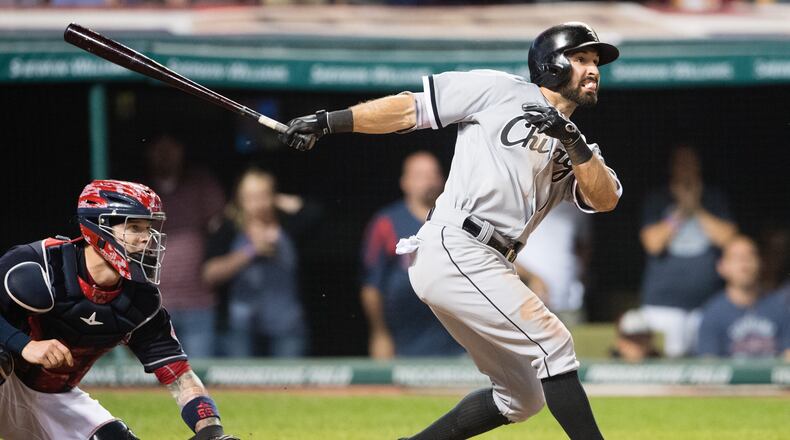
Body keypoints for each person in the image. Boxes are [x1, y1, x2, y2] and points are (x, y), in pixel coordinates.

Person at [280, 21, 621, 440]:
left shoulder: (578, 145)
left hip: (492, 261)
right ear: (551, 64)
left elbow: (605, 199)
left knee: (523, 397)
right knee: (553, 343)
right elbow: (410, 108)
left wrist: (573, 140)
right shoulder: (500, 90)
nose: (593, 69)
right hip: (457, 243)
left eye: (595, 62)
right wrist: (330, 120)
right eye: (581, 58)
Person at [0, 180, 237, 440]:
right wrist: (24, 345)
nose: (147, 238)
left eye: (148, 228)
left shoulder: (141, 301)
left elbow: (180, 374)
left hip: (54, 397)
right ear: (98, 227)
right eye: (135, 227)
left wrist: (212, 431)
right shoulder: (39, 263)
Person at [361, 151, 465, 359]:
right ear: (405, 182)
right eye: (420, 175)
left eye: (433, 174)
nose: (429, 181)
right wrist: (380, 334)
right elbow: (371, 287)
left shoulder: (457, 219)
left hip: (456, 333)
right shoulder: (386, 222)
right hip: (407, 336)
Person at [639, 144, 737, 358]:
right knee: (668, 370)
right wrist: (682, 210)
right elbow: (653, 244)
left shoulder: (713, 197)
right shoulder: (658, 198)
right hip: (664, 304)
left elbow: (728, 239)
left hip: (708, 304)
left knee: (708, 366)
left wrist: (696, 207)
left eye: (691, 163)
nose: (686, 169)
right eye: (681, 164)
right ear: (672, 168)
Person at [203, 168, 308, 357]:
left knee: (290, 383)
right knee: (240, 382)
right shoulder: (228, 227)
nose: (257, 203)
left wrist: (281, 202)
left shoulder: (289, 223)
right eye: (250, 197)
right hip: (240, 326)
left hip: (286, 323)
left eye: (263, 195)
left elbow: (317, 212)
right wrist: (250, 252)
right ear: (239, 199)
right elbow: (209, 274)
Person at [144, 134, 226, 359]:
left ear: (181, 151)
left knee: (200, 377)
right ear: (150, 152)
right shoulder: (140, 190)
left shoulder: (200, 183)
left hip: (197, 301)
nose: (165, 155)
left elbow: (221, 224)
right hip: (154, 303)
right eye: (159, 149)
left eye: (171, 148)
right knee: (155, 377)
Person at [696, 236, 790, 358]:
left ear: (760, 263)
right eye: (737, 258)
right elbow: (709, 363)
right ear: (722, 267)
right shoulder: (713, 313)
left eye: (749, 257)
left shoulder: (780, 307)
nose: (744, 265)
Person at [515, 200, 591, 326]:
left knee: (573, 344)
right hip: (525, 300)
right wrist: (531, 278)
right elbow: (497, 250)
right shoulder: (517, 197)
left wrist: (578, 275)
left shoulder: (577, 201)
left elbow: (584, 246)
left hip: (568, 302)